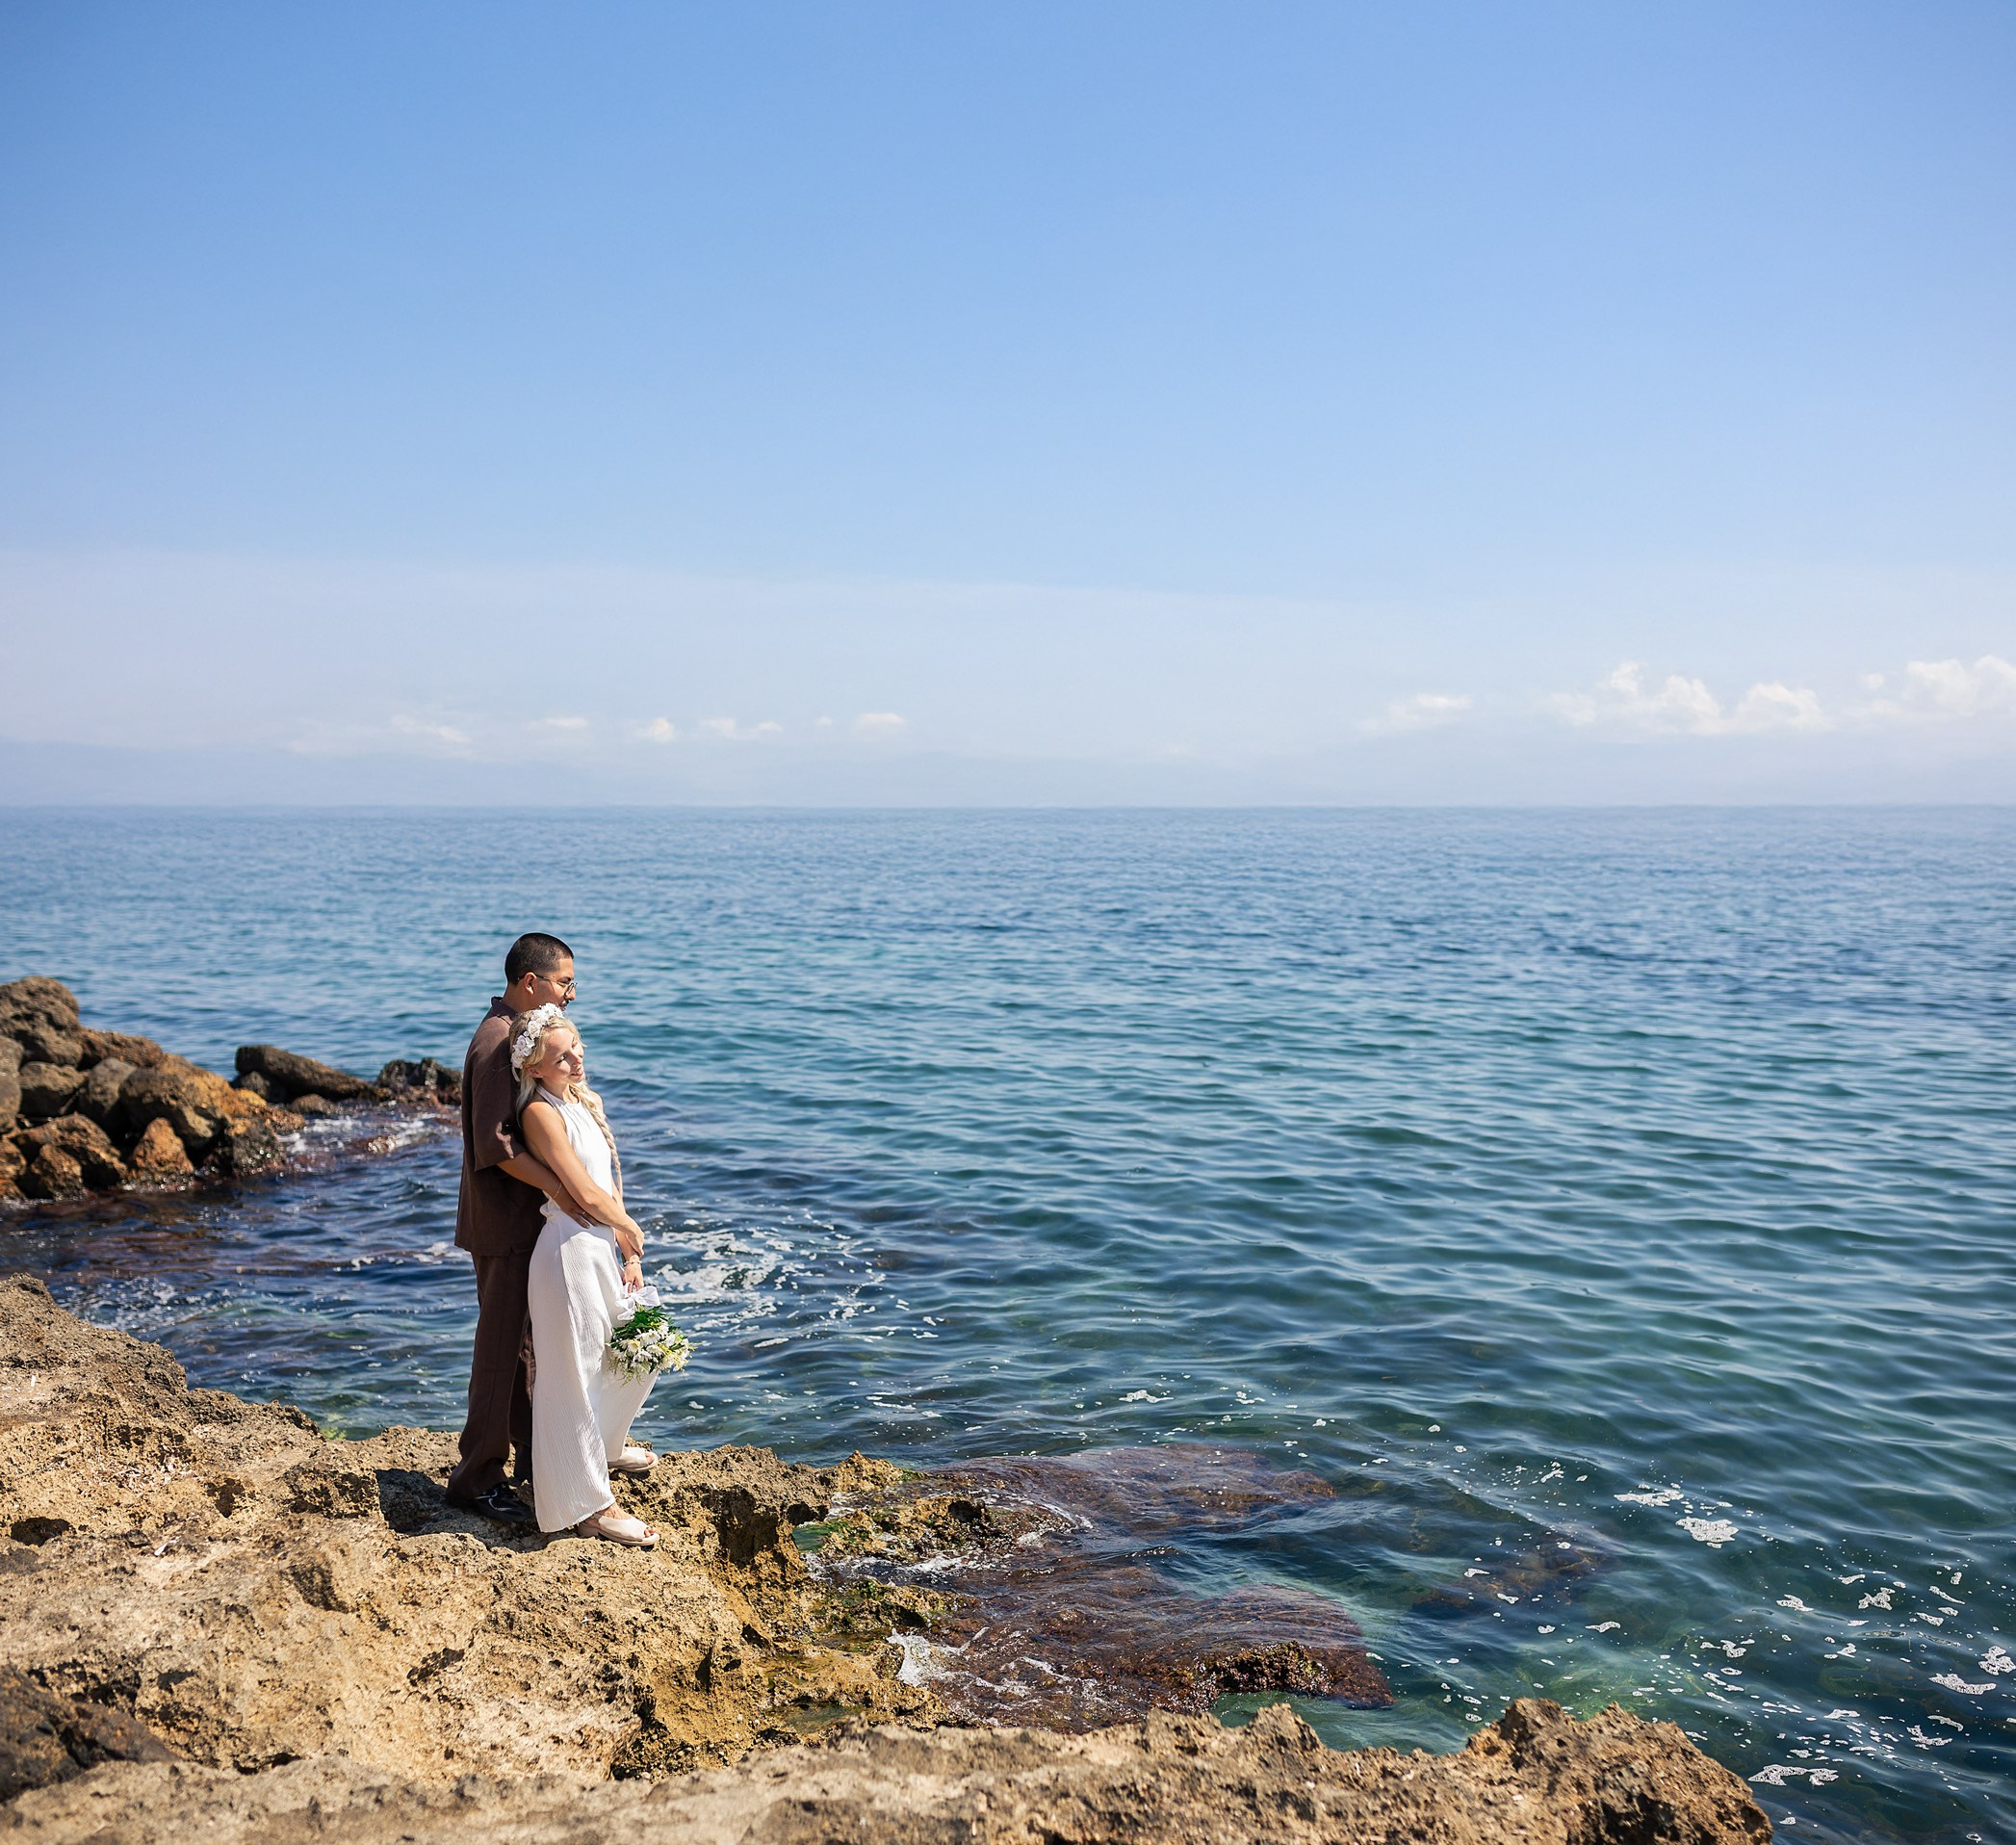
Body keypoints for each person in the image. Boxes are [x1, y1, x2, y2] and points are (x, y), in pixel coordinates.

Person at [444, 933, 626, 1524]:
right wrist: (557, 1189)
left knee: (526, 1351)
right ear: (530, 982)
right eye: (564, 982)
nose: (571, 995)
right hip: (504, 1224)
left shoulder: (510, 1035)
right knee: (500, 1353)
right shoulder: (499, 1042)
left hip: (521, 1223)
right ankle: (475, 1479)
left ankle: (534, 1460)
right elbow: (494, 1150)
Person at [512, 1004, 661, 1546]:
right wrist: (627, 1222)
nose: (575, 1060)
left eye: (577, 1048)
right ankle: (588, 1505)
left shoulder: (583, 1101)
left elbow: (609, 1182)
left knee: (629, 1354)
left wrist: (628, 1249)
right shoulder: (539, 1113)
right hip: (566, 1252)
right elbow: (582, 1190)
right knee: (571, 1375)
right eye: (560, 1057)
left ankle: (605, 1444)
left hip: (600, 1245)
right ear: (534, 1069)